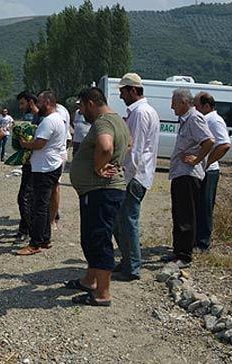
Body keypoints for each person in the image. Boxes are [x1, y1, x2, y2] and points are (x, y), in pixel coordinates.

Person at [66, 87, 130, 306]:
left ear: (91, 103)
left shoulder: (103, 122)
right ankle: (89, 280)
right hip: (100, 191)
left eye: (82, 106)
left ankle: (103, 294)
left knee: (99, 239)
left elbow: (105, 147)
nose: (81, 112)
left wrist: (98, 167)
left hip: (101, 190)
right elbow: (128, 144)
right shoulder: (118, 120)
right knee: (91, 237)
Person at [112, 73, 160, 281]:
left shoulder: (140, 113)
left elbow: (134, 149)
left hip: (134, 176)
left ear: (133, 90)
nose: (121, 96)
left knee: (127, 221)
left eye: (123, 91)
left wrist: (124, 176)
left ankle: (132, 267)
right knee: (120, 221)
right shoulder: (143, 111)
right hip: (138, 174)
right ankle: (127, 261)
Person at [162, 89, 214, 267]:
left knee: (186, 215)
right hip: (180, 172)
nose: (171, 106)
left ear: (184, 102)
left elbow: (209, 141)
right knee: (178, 213)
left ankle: (184, 256)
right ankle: (178, 252)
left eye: (174, 103)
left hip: (188, 174)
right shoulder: (186, 120)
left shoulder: (194, 118)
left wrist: (197, 159)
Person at [16, 91, 67, 255]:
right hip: (52, 165)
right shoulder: (58, 118)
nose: (37, 105)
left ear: (47, 103)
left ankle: (35, 243)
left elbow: (39, 144)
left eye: (39, 102)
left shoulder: (49, 121)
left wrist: (24, 144)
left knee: (38, 206)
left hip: (44, 168)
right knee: (43, 205)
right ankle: (45, 239)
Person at [194, 92, 231, 251]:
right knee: (198, 206)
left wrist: (208, 162)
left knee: (204, 206)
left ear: (206, 106)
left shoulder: (214, 120)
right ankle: (197, 240)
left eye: (197, 105)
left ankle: (203, 243)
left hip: (209, 171)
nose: (194, 108)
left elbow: (224, 144)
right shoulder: (206, 119)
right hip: (203, 170)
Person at [15, 91, 41, 243]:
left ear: (30, 102)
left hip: (35, 164)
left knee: (24, 197)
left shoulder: (39, 118)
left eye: (22, 103)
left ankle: (31, 231)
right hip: (28, 162)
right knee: (27, 197)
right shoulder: (29, 117)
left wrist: (25, 144)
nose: (20, 106)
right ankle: (24, 229)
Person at [50, 103, 72, 230]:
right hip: (59, 153)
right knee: (54, 186)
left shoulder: (58, 113)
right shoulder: (62, 110)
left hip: (56, 155)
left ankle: (53, 218)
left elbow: (63, 135)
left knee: (54, 187)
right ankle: (54, 213)